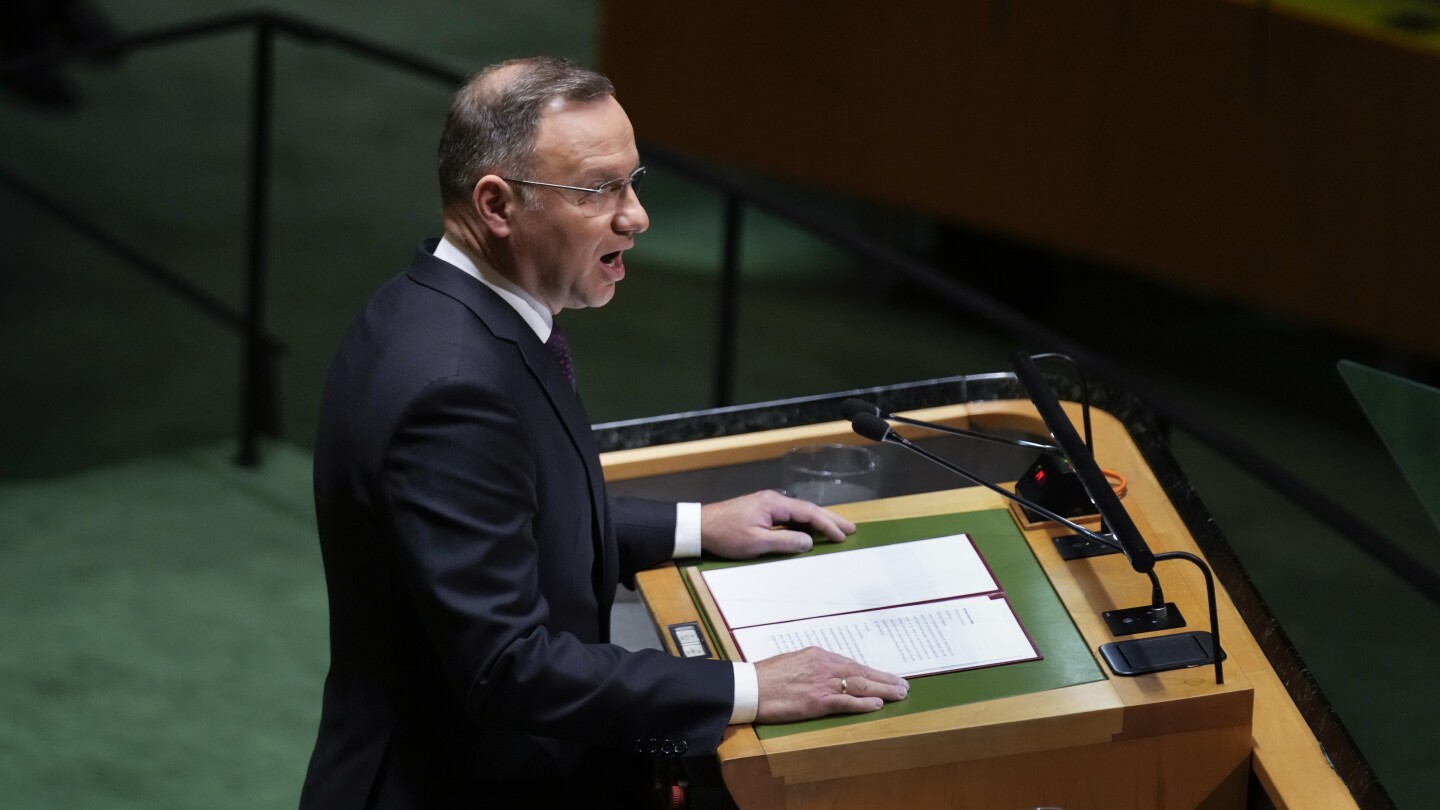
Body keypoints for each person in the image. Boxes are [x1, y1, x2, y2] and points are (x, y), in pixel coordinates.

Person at [299, 56, 908, 808]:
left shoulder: (442, 304)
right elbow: (507, 665)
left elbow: (506, 514)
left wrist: (696, 525)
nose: (636, 216)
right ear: (497, 204)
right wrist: (751, 685)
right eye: (598, 190)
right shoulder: (454, 387)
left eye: (633, 181)